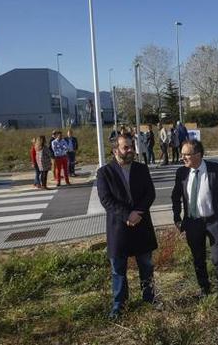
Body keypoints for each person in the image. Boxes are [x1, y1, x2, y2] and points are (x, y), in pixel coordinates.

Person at [97, 135, 158, 319]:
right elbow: (106, 200)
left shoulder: (141, 168)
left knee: (146, 266)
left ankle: (149, 298)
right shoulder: (104, 172)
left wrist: (138, 212)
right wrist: (126, 215)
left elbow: (150, 193)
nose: (131, 150)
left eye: (131, 146)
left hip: (141, 224)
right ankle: (119, 304)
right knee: (118, 269)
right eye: (126, 147)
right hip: (119, 228)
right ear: (116, 150)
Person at [171, 140, 218, 303]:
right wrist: (177, 217)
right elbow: (176, 196)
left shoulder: (216, 170)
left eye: (186, 154)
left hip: (215, 221)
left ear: (198, 155)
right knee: (198, 258)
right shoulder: (182, 173)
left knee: (217, 258)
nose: (182, 157)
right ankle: (204, 288)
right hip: (193, 222)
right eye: (182, 154)